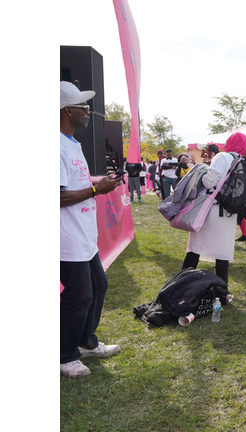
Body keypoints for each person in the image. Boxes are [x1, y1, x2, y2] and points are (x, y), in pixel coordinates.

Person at [60, 81, 125, 378]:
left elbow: (77, 184)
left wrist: (100, 182)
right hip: (66, 239)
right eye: (83, 107)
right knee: (78, 297)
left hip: (84, 236)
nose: (88, 111)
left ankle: (86, 342)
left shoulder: (72, 143)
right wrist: (96, 190)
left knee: (99, 287)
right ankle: (64, 355)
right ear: (66, 110)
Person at [181, 133, 246, 283]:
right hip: (230, 210)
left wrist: (202, 170)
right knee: (222, 252)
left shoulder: (222, 157)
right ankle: (222, 289)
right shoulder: (242, 161)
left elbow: (209, 182)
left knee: (195, 248)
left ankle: (181, 282)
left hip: (212, 209)